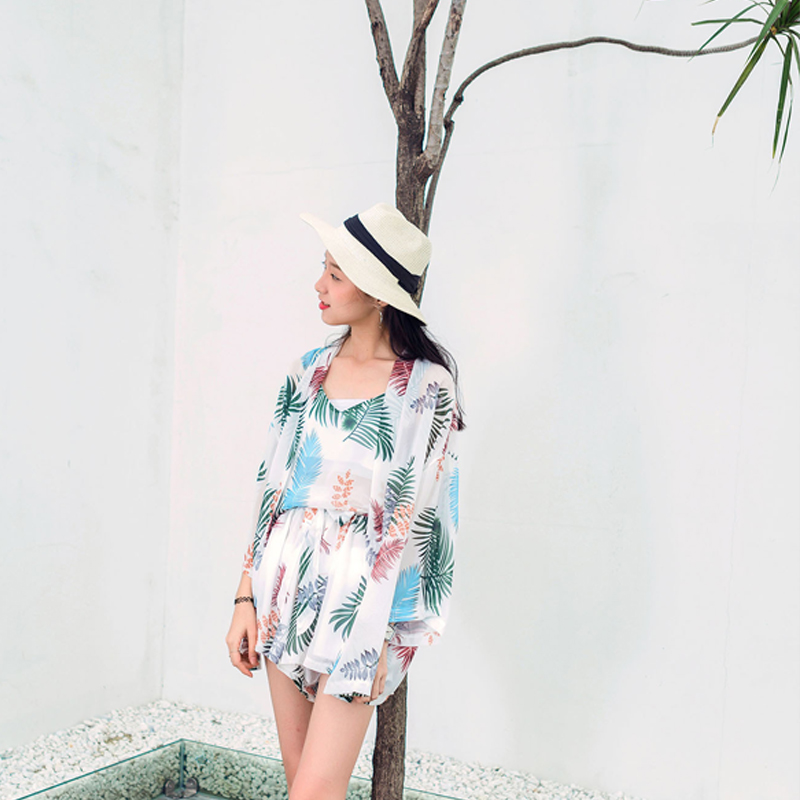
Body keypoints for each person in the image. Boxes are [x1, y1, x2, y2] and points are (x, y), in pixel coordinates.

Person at [225, 202, 462, 800]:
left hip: (362, 603)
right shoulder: (306, 372)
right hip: (284, 584)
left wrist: (385, 634)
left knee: (315, 791)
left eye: (335, 274)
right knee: (301, 783)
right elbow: (271, 490)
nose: (319, 285)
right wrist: (245, 598)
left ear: (379, 293)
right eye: (323, 269)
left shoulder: (426, 387)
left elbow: (423, 520)